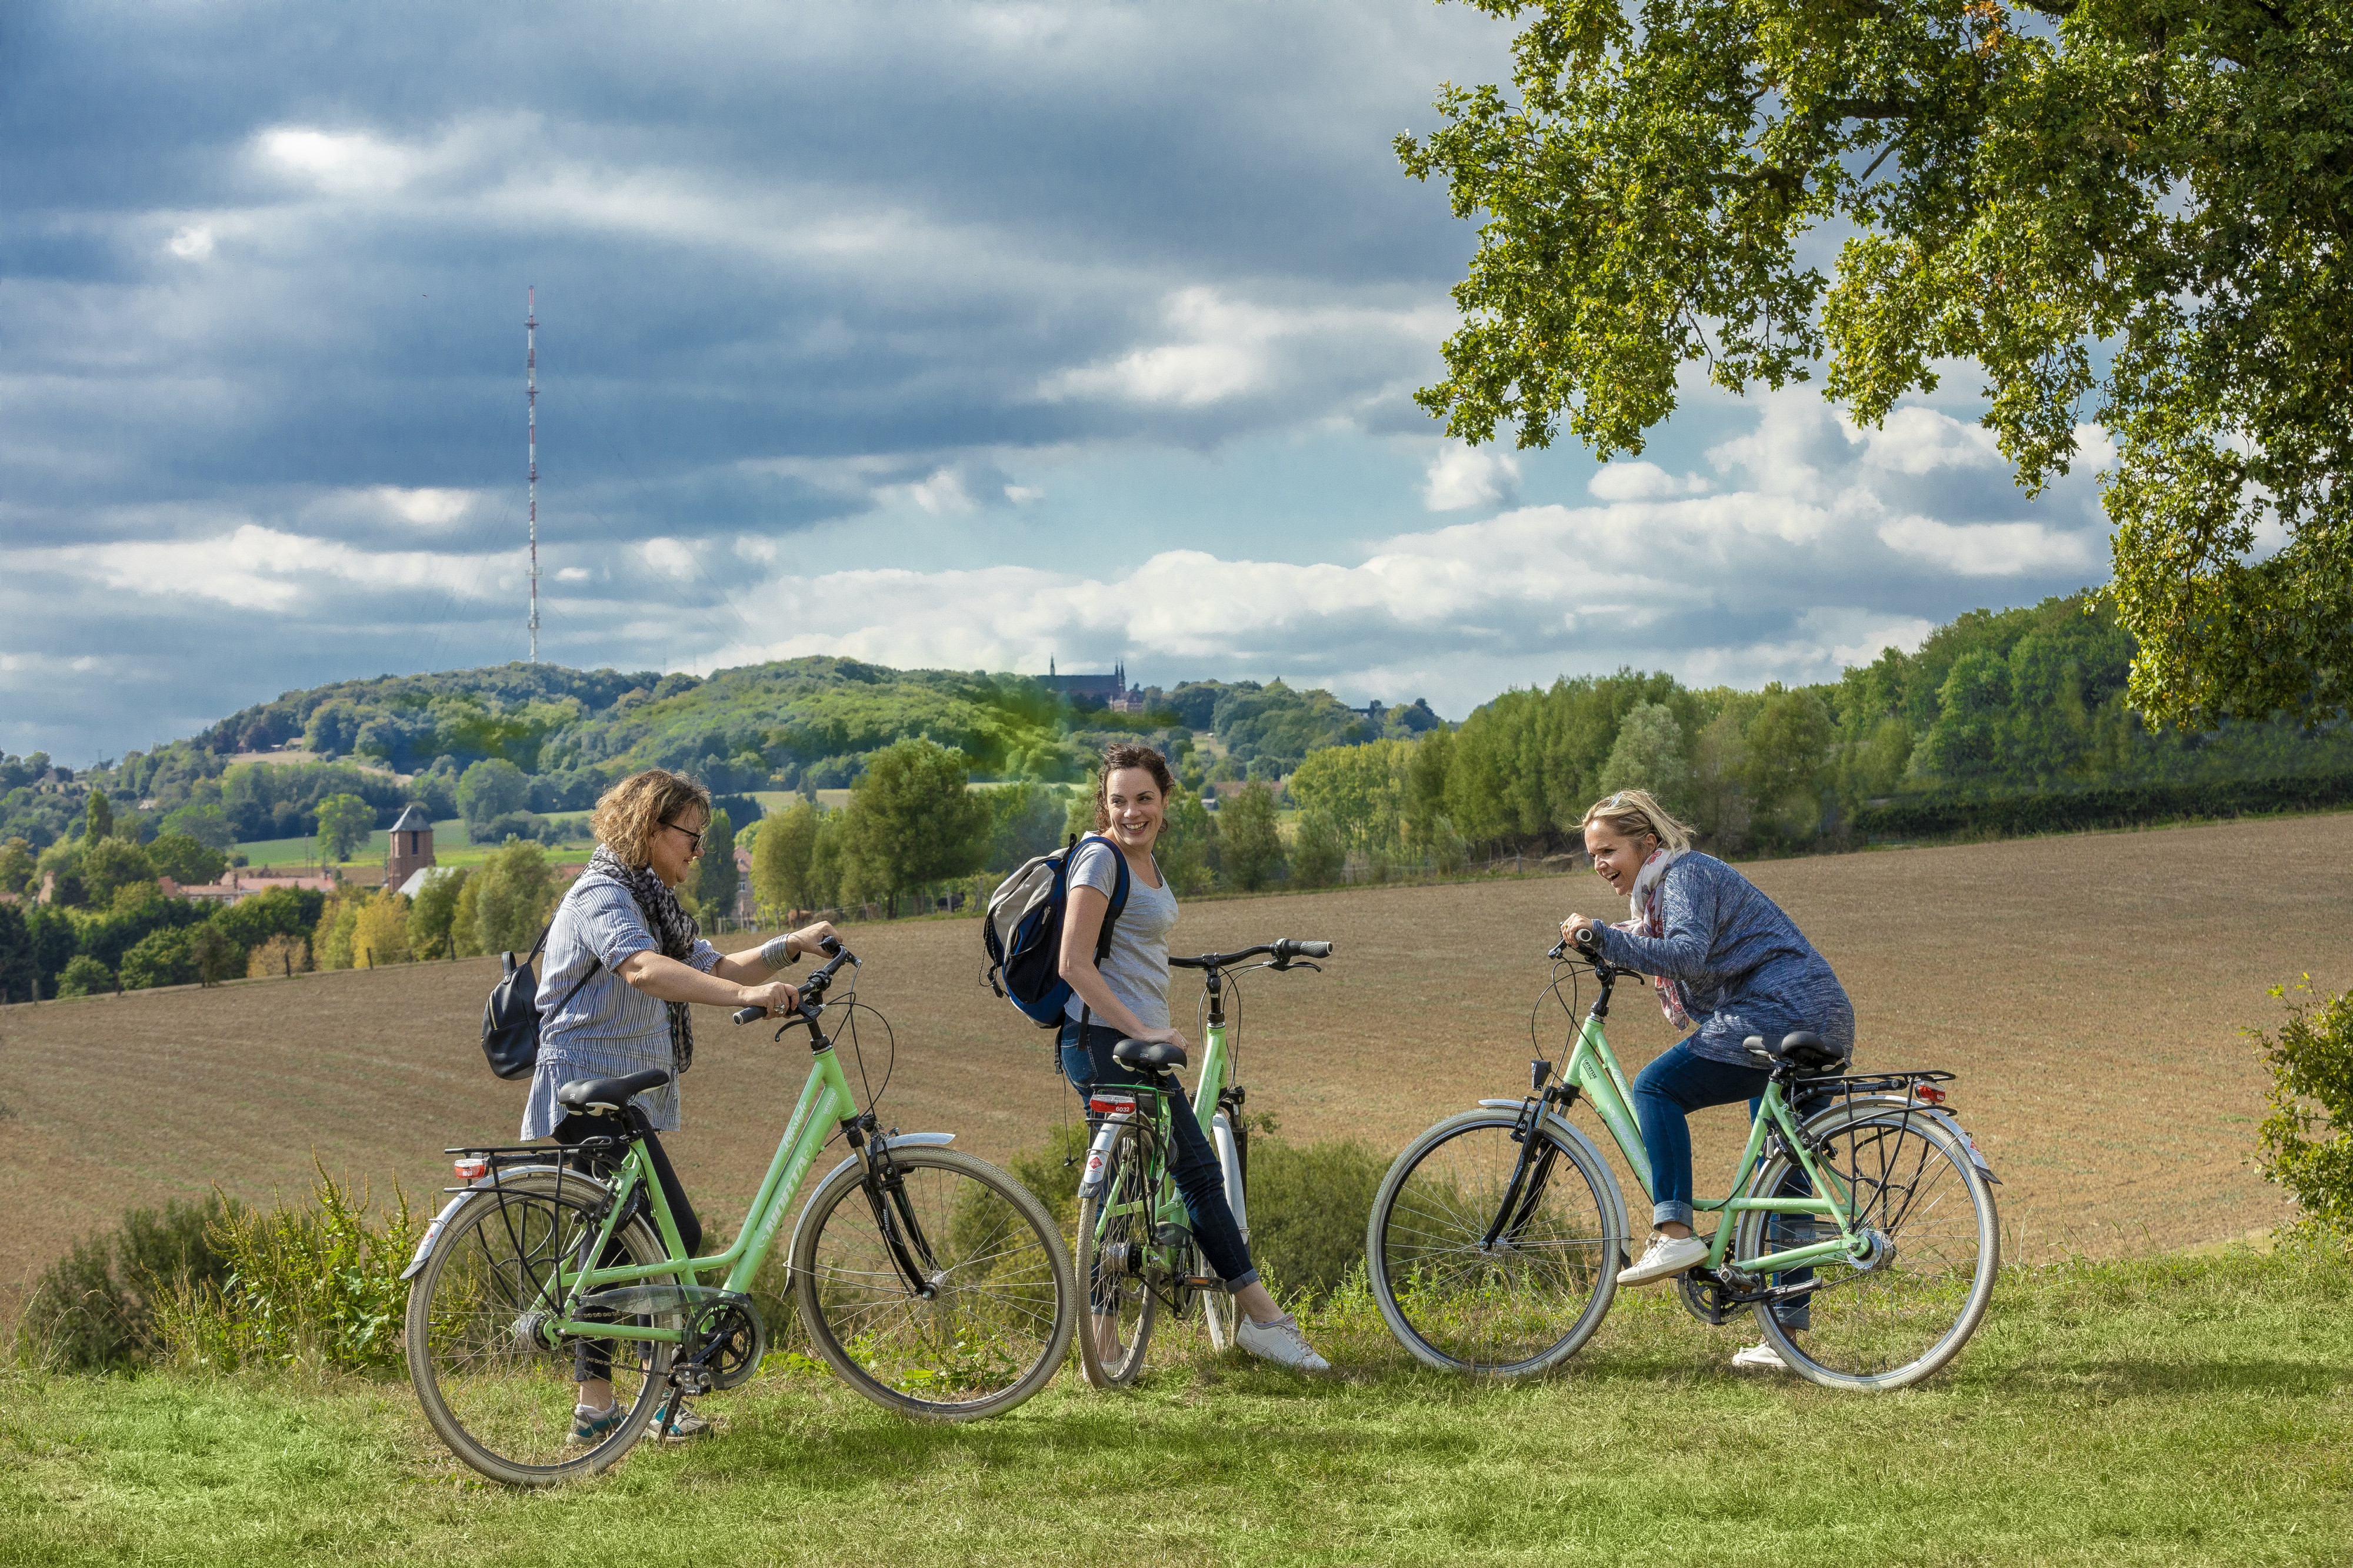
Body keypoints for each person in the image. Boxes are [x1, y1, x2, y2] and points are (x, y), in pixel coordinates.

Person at [522, 767, 840, 1443]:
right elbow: (642, 968)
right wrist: (750, 998)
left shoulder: (650, 899)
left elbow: (714, 965)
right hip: (585, 1088)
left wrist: (790, 945)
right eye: (690, 838)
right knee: (658, 1240)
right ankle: (638, 1403)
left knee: (633, 1243)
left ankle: (611, 1405)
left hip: (619, 1091)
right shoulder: (601, 894)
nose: (699, 852)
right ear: (648, 827)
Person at [1056, 741, 1329, 1374]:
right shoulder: (1099, 860)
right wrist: (1147, 1027)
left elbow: (1130, 946)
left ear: (1164, 798)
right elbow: (1073, 963)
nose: (1131, 811)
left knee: (1124, 1195)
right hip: (1105, 1041)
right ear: (1104, 801)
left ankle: (1103, 1340)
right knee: (1199, 1175)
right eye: (1119, 799)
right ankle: (1265, 1320)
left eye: (1143, 798)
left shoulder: (1142, 862)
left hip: (1118, 1040)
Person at [1559, 788, 1854, 1373]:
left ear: (1647, 843)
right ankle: (1784, 1339)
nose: (1598, 863)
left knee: (1656, 1087)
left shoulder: (1686, 875)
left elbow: (1687, 953)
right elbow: (1661, 939)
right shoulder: (1662, 895)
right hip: (1817, 1011)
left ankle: (1673, 1229)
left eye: (1607, 849)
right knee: (1781, 1180)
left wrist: (1603, 936)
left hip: (1777, 1009)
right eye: (1591, 854)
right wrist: (1607, 939)